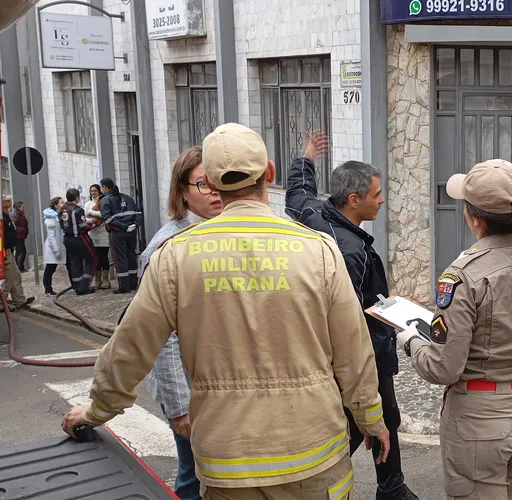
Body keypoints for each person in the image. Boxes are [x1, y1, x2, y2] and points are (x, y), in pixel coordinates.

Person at [61, 123, 390, 500]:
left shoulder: (175, 257)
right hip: (313, 453)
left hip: (228, 462)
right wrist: (371, 419)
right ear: (269, 173)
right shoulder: (318, 250)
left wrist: (96, 411)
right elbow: (354, 352)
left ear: (212, 184)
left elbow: (128, 350)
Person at [396, 158, 512, 499]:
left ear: (474, 218)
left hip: (480, 419)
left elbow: (444, 367)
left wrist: (411, 341)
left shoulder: (462, 275)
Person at [285, 132, 418, 500]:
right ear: (355, 200)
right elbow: (349, 320)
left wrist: (306, 156)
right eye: (376, 194)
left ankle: (390, 486)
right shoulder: (348, 252)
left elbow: (297, 193)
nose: (382, 199)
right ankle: (332, 483)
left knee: (381, 418)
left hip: (347, 352)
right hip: (362, 356)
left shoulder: (315, 214)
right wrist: (395, 321)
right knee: (367, 422)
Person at [135, 146, 223, 500]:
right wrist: (178, 407)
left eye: (219, 181)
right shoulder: (168, 246)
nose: (214, 191)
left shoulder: (223, 234)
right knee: (193, 477)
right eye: (203, 184)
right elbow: (161, 338)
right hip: (190, 394)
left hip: (222, 389)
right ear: (182, 190)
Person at [99, 177, 142, 294]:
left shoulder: (106, 200)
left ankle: (124, 286)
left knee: (120, 258)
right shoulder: (128, 198)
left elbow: (107, 219)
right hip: (131, 232)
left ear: (104, 187)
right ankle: (133, 284)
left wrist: (123, 227)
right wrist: (134, 225)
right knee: (131, 255)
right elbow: (138, 213)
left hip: (117, 232)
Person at [59, 189, 97, 296]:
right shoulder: (78, 209)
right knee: (92, 259)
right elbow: (82, 225)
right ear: (77, 197)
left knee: (75, 262)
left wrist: (87, 221)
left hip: (67, 239)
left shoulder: (62, 209)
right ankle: (85, 285)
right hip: (80, 238)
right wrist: (93, 225)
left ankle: (77, 286)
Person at [3, 196, 35, 309]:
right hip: (4, 250)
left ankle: (19, 299)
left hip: (9, 249)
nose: (8, 200)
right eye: (4, 198)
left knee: (16, 275)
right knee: (9, 277)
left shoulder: (5, 214)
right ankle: (1, 301)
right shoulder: (2, 216)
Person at [84, 184, 112, 289]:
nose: (93, 193)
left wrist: (93, 214)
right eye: (92, 191)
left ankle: (105, 279)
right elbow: (85, 217)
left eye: (95, 190)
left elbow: (104, 215)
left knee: (104, 256)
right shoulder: (87, 204)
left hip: (103, 232)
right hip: (92, 233)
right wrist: (92, 220)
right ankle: (97, 280)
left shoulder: (104, 202)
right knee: (95, 257)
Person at [42, 197, 69, 296]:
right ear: (56, 205)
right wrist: (56, 250)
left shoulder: (59, 216)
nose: (64, 204)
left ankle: (75, 285)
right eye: (61, 203)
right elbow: (51, 236)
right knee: (50, 268)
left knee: (69, 265)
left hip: (61, 246)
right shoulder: (50, 218)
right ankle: (48, 290)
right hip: (53, 247)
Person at [10, 201, 29, 272]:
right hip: (18, 236)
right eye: (22, 207)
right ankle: (20, 268)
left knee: (19, 252)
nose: (24, 208)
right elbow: (13, 226)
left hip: (20, 236)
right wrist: (22, 230)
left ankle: (19, 267)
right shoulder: (15, 215)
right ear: (19, 207)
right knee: (22, 252)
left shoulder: (19, 214)